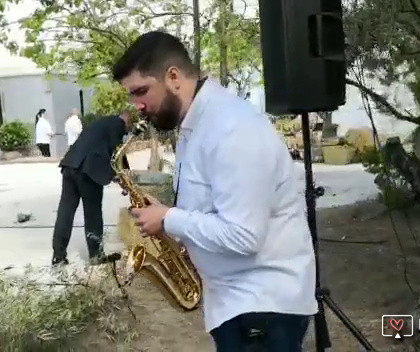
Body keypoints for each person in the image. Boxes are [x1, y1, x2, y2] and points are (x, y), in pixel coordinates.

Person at [112, 30, 318, 351]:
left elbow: (244, 236)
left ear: (174, 77)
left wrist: (169, 219)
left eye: (141, 91)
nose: (137, 105)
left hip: (262, 310)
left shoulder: (231, 128)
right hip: (241, 306)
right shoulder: (197, 125)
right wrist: (163, 214)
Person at [51, 110, 141, 266]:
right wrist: (124, 180)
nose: (127, 131)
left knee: (65, 212)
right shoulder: (117, 124)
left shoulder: (102, 122)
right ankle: (95, 255)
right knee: (93, 213)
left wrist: (122, 177)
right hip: (88, 170)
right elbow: (117, 154)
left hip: (70, 165)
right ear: (128, 121)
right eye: (130, 127)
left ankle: (58, 256)